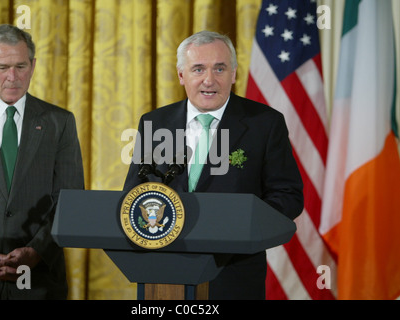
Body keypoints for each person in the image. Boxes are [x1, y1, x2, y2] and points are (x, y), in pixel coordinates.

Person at [123, 30, 303, 299]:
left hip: (233, 275)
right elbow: (134, 194)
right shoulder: (155, 123)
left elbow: (288, 196)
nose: (209, 80)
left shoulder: (264, 124)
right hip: (163, 275)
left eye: (220, 68)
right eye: (198, 69)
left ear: (233, 74)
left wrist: (240, 223)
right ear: (182, 75)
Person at [0, 24, 84, 299]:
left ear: (33, 66)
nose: (12, 77)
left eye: (21, 67)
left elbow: (71, 200)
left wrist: (36, 252)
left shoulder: (60, 122)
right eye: (3, 67)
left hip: (40, 281)